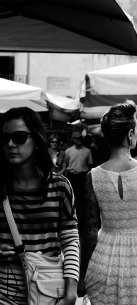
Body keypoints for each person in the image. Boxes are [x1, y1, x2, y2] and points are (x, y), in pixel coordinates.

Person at [83, 99, 137, 304]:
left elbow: (90, 232)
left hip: (104, 260)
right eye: (136, 128)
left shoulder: (92, 176)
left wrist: (83, 272)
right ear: (130, 134)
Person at [0, 107, 79, 305]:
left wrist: (70, 292)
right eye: (5, 138)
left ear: (35, 140)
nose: (10, 144)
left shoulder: (60, 186)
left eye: (19, 137)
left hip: (47, 293)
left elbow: (70, 240)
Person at [65, 130, 93, 226]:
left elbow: (90, 166)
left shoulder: (87, 151)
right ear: (73, 140)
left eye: (80, 138)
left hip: (82, 177)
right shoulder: (68, 151)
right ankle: (71, 216)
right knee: (71, 197)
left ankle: (81, 218)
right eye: (77, 139)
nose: (79, 140)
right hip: (71, 176)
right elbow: (65, 165)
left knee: (82, 198)